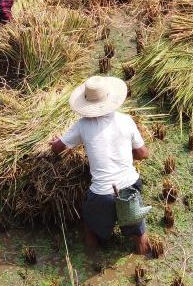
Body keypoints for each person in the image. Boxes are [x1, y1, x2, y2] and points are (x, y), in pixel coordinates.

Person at [51, 75, 150, 254]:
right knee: (138, 231)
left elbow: (58, 149)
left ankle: (93, 260)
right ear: (110, 98)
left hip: (103, 194)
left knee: (89, 225)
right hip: (131, 186)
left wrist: (55, 141)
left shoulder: (82, 125)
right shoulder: (126, 120)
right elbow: (143, 153)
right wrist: (125, 157)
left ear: (86, 104)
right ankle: (141, 252)